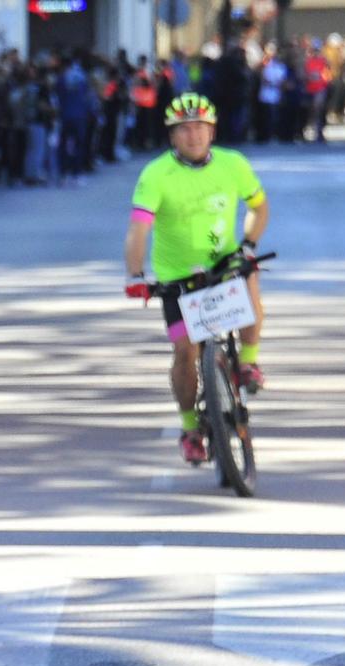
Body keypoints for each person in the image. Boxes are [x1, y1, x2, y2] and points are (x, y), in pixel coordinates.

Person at [123, 92, 270, 464]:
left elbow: (258, 207)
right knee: (185, 351)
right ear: (172, 136)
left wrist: (248, 244)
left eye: (201, 128)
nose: (194, 136)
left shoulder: (233, 164)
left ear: (212, 131)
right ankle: (190, 427)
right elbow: (138, 230)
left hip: (223, 262)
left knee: (248, 277)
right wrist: (136, 274)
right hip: (177, 277)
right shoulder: (156, 174)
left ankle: (249, 361)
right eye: (184, 129)